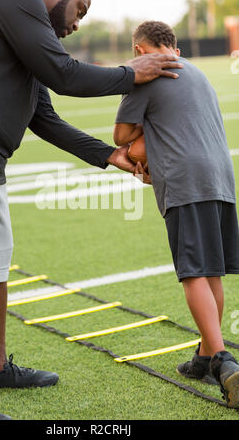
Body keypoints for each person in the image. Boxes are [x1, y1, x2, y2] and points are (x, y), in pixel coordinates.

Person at [0, 0, 183, 421]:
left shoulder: (25, 40)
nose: (77, 24)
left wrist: (111, 155)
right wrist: (131, 74)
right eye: (79, 10)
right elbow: (65, 74)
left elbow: (45, 118)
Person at [114, 20, 239, 408]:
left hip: (186, 180)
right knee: (210, 269)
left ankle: (223, 360)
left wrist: (139, 147)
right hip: (221, 176)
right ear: (175, 47)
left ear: (139, 51)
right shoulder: (197, 71)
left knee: (193, 272)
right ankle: (204, 355)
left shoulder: (146, 73)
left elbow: (121, 137)